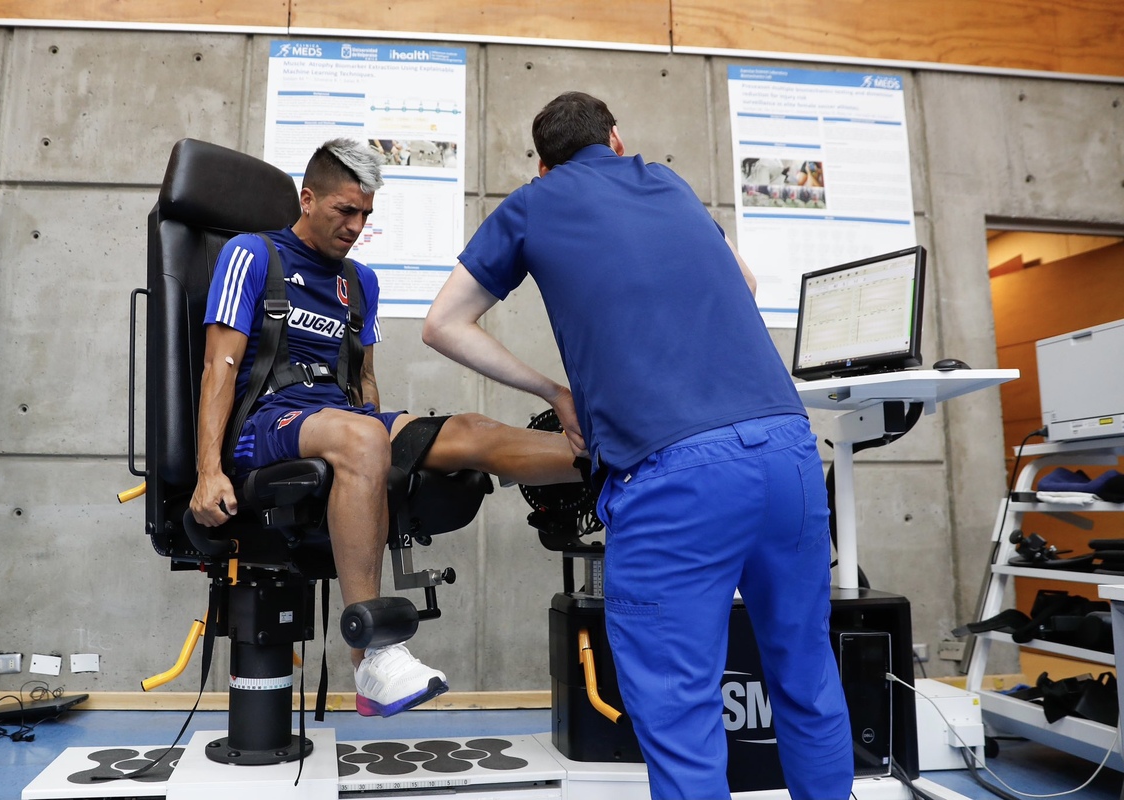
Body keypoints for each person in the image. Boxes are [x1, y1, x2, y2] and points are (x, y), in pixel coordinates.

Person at [422, 92, 853, 799]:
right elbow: (744, 282)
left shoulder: (533, 203)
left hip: (676, 478)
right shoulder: (670, 182)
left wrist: (556, 394)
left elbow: (443, 324)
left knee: (682, 711)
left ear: (541, 163)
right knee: (805, 673)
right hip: (788, 454)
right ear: (617, 140)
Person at [190, 138, 581, 719]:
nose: (356, 225)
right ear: (308, 198)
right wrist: (208, 471)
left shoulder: (360, 281)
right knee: (363, 435)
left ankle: (608, 457)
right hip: (264, 425)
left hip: (341, 421)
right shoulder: (253, 254)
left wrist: (394, 460)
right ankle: (372, 659)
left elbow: (364, 382)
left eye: (366, 214)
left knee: (467, 431)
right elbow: (217, 369)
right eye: (345, 211)